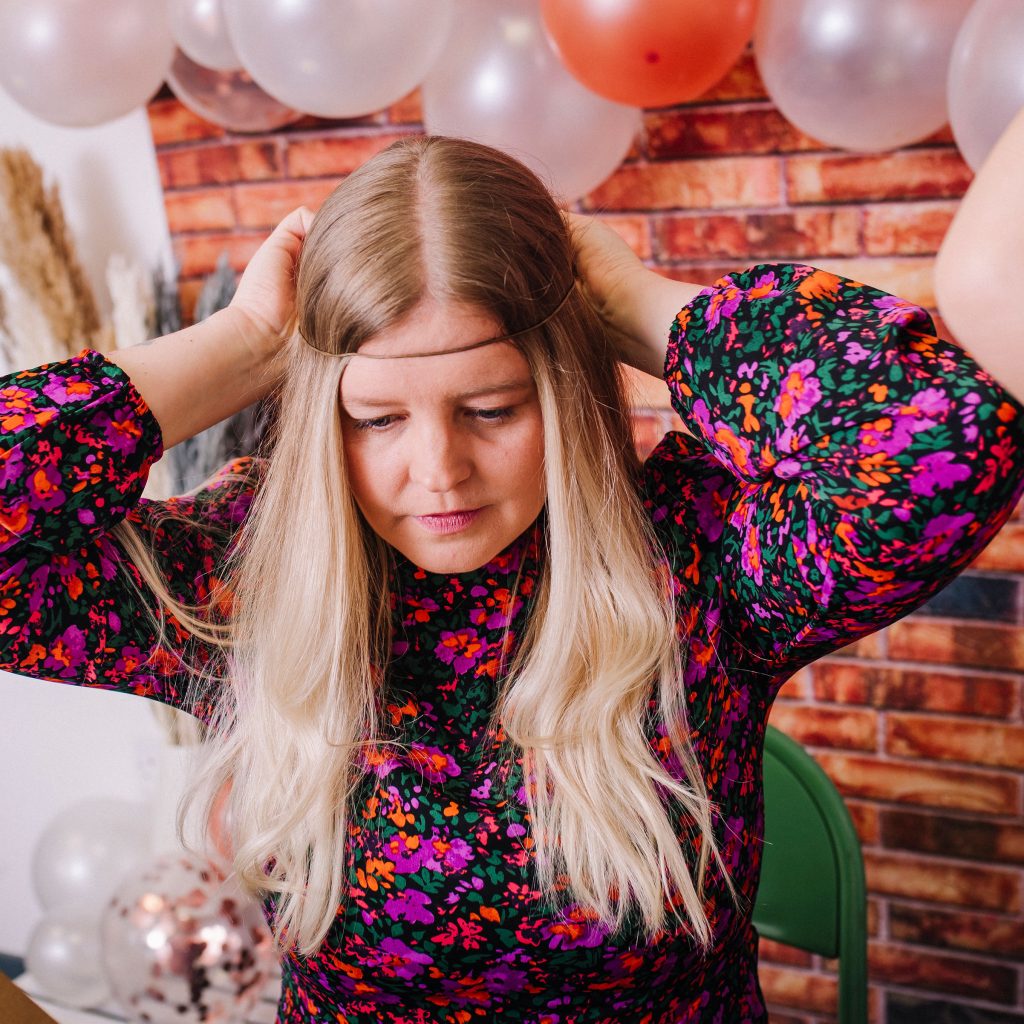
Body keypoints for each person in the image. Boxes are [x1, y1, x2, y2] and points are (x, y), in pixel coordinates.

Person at [2, 133, 1022, 1024]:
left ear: (565, 388)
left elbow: (947, 434)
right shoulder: (244, 581)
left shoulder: (700, 557)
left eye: (490, 407)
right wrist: (242, 346)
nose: (436, 470)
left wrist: (631, 309)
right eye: (377, 419)